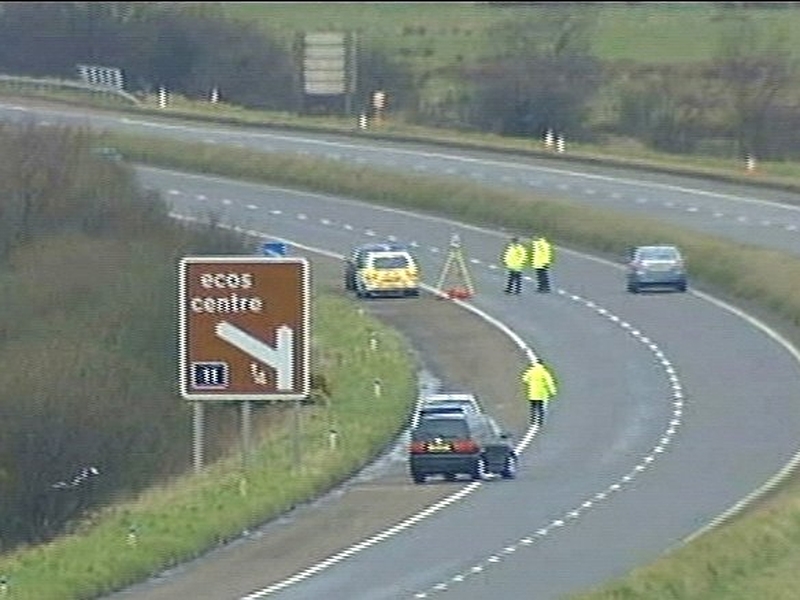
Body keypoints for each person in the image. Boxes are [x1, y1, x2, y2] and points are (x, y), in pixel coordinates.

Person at [521, 360, 557, 426]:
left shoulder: (531, 371)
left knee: (533, 407)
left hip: (532, 393)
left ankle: (533, 420)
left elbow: (525, 379)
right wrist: (553, 391)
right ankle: (540, 421)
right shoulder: (544, 372)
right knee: (540, 408)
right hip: (541, 394)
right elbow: (549, 382)